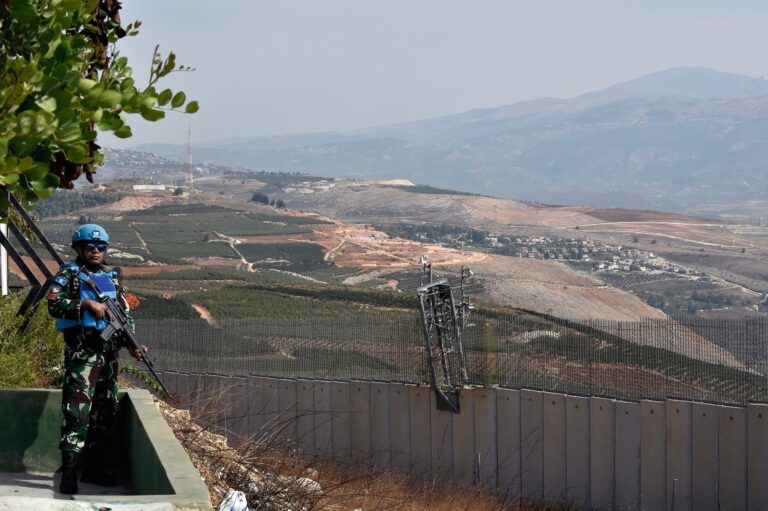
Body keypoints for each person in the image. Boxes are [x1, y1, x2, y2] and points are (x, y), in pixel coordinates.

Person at [47, 224, 142, 494]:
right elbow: (53, 304)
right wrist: (85, 305)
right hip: (83, 353)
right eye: (90, 246)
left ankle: (95, 468)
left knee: (106, 410)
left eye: (101, 247)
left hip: (109, 355)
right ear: (79, 248)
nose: (97, 251)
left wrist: (133, 343)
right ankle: (69, 474)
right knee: (77, 411)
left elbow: (123, 316)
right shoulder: (69, 274)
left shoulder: (110, 277)